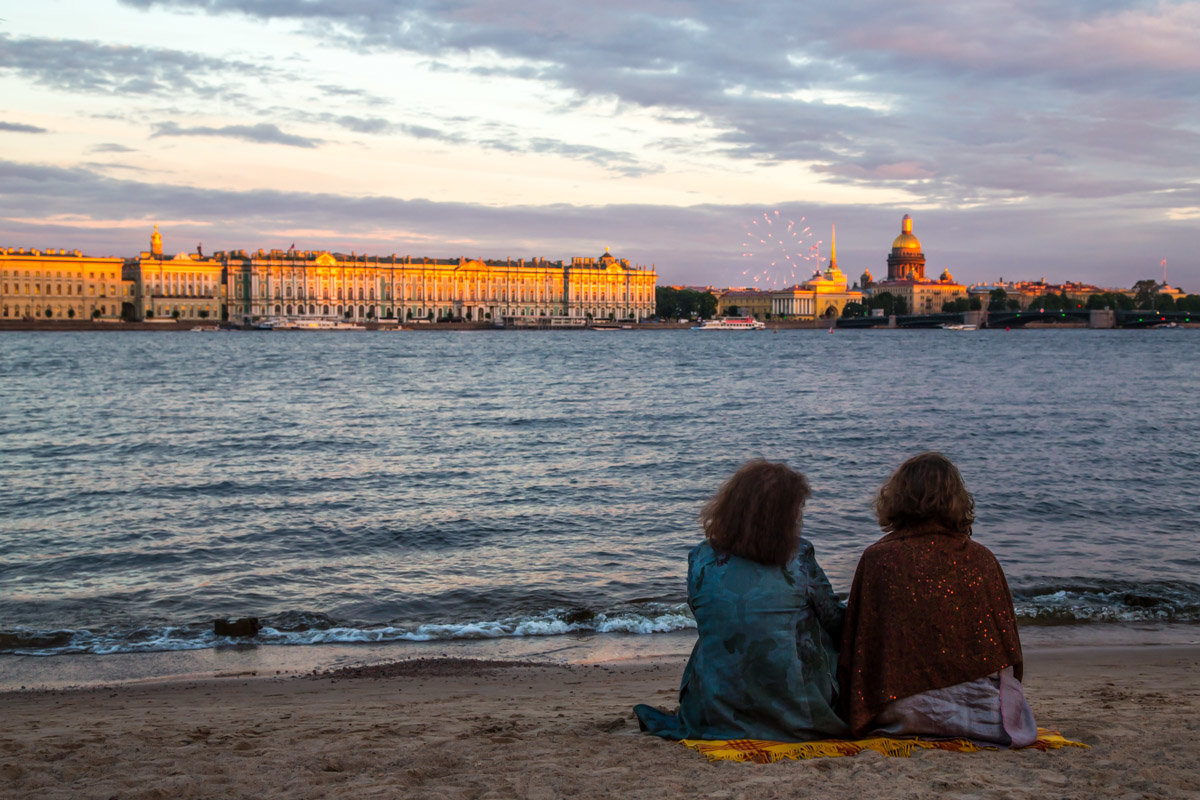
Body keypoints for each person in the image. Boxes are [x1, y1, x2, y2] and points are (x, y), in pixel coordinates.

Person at [634, 459, 848, 741]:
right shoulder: (800, 557)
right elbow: (836, 621)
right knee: (821, 629)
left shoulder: (700, 558)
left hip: (714, 704)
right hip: (798, 708)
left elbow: (704, 615)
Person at [837, 452, 1037, 746]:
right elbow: (1010, 651)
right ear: (957, 500)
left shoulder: (877, 559)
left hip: (901, 714)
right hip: (986, 716)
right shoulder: (982, 559)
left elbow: (856, 650)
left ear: (896, 498)